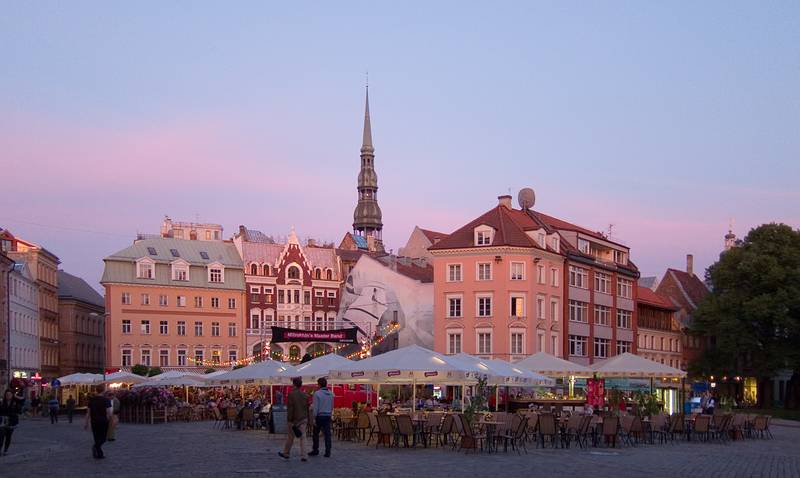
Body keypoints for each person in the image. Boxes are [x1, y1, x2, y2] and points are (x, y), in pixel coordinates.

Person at [279, 377, 308, 462]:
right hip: (303, 418)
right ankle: (304, 455)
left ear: (294, 384)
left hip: (294, 419)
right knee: (303, 437)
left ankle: (286, 453)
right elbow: (306, 408)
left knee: (290, 437)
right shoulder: (305, 395)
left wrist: (289, 420)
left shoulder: (291, 394)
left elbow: (290, 408)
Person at [84, 386, 112, 459]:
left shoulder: (92, 400)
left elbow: (88, 413)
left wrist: (86, 422)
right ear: (103, 391)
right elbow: (109, 412)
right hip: (103, 421)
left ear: (96, 390)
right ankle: (96, 447)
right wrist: (110, 419)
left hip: (94, 421)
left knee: (96, 437)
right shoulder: (106, 400)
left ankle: (99, 454)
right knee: (103, 438)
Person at [309, 377, 334, 458]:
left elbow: (316, 407)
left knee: (315, 434)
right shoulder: (331, 393)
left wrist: (313, 418)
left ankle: (315, 450)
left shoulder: (317, 394)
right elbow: (332, 406)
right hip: (327, 416)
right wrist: (330, 414)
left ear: (319, 384)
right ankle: (328, 451)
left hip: (319, 416)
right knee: (327, 434)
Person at [0, 390, 21, 455]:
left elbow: (19, 410)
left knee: (8, 436)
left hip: (12, 422)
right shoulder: (2, 402)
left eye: (9, 394)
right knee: (1, 436)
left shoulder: (15, 403)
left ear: (12, 395)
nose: (8, 396)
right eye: (7, 395)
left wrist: (16, 397)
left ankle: (6, 450)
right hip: (3, 422)